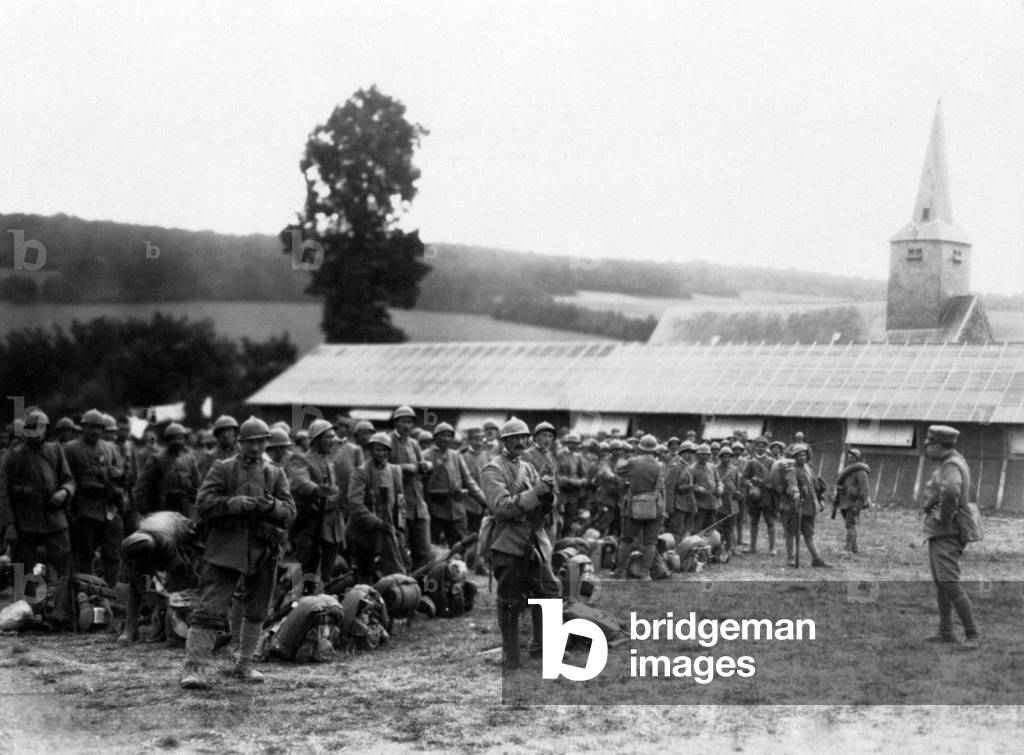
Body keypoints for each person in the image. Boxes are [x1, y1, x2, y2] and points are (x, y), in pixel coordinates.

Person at [180, 416, 295, 689]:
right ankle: (195, 669)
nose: (256, 448)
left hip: (262, 549)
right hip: (225, 548)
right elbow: (203, 503)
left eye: (261, 442)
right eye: (250, 443)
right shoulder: (223, 468)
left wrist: (271, 507)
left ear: (267, 442)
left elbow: (290, 512)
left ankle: (245, 664)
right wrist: (232, 504)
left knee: (257, 609)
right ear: (240, 443)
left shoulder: (275, 473)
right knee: (210, 607)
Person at [481, 417, 559, 670]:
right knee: (510, 601)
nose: (520, 442)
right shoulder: (493, 469)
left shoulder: (529, 467)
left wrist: (548, 498)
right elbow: (501, 508)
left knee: (549, 595)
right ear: (504, 441)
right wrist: (535, 493)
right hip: (509, 544)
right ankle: (511, 656)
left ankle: (543, 649)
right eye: (514, 438)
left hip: (534, 543)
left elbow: (542, 505)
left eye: (524, 438)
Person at [0, 410, 75, 612]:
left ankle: (64, 609)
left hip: (54, 519)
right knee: (24, 569)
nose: (36, 433)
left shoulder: (55, 451)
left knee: (63, 565)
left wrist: (64, 492)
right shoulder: (13, 456)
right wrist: (9, 525)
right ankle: (27, 610)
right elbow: (3, 494)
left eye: (40, 428)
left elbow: (69, 479)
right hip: (26, 521)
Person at [921, 425, 979, 649]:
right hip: (944, 531)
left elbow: (952, 491)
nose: (926, 447)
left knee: (950, 583)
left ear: (939, 445)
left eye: (929, 443)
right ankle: (946, 631)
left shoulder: (951, 465)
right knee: (942, 582)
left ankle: (973, 635)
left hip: (948, 531)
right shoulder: (952, 461)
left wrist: (943, 519)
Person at [63, 408, 126, 587]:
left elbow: (121, 476)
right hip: (83, 507)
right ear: (83, 427)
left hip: (108, 507)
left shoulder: (110, 448)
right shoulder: (71, 448)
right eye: (90, 427)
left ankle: (111, 589)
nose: (94, 431)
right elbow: (66, 478)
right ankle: (86, 589)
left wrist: (115, 484)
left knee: (112, 552)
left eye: (98, 428)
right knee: (85, 552)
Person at [346, 432, 407, 583]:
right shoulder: (361, 472)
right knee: (364, 573)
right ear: (370, 451)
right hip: (362, 533)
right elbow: (355, 505)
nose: (380, 453)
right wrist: (377, 523)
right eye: (376, 449)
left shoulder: (395, 471)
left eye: (384, 449)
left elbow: (400, 502)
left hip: (387, 531)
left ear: (389, 451)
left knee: (396, 569)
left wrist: (400, 528)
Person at [287, 419, 343, 579]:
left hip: (332, 526)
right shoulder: (300, 459)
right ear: (316, 439)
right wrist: (316, 489)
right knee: (308, 572)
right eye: (329, 437)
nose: (334, 440)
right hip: (311, 525)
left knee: (328, 572)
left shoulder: (328, 462)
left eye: (334, 437)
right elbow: (298, 481)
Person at [423, 423, 486, 547]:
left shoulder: (455, 455)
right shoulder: (426, 455)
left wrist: (485, 501)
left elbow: (468, 481)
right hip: (435, 510)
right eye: (442, 435)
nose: (446, 439)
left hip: (456, 510)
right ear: (435, 437)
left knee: (461, 546)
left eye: (449, 436)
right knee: (433, 547)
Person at [613, 434, 665, 580]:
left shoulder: (633, 462)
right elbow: (662, 489)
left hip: (634, 506)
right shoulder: (660, 466)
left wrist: (622, 456)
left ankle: (621, 571)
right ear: (655, 450)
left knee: (626, 540)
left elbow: (618, 470)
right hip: (655, 507)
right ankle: (645, 574)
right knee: (650, 542)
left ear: (640, 448)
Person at [389, 405, 432, 571]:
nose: (407, 426)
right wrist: (403, 468)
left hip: (418, 503)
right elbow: (381, 467)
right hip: (399, 503)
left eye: (410, 422)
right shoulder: (388, 441)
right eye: (403, 422)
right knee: (400, 547)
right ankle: (403, 585)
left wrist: (426, 465)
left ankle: (420, 584)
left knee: (423, 549)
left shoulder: (414, 443)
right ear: (396, 423)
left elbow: (422, 467)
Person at [132, 423, 201, 520]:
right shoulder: (156, 460)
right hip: (162, 508)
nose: (177, 441)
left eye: (180, 438)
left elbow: (197, 485)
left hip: (185, 509)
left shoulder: (190, 460)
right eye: (173, 439)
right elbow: (142, 487)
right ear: (167, 441)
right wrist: (147, 512)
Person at [780, 444, 831, 568]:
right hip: (794, 507)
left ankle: (816, 559)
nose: (802, 457)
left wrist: (821, 500)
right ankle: (791, 558)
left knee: (809, 534)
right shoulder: (791, 470)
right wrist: (795, 492)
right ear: (794, 457)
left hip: (809, 507)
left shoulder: (808, 468)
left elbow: (816, 485)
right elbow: (791, 483)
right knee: (791, 533)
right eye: (799, 455)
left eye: (804, 454)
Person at [742, 437, 777, 555]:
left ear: (766, 447)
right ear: (755, 447)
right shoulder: (750, 462)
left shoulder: (771, 462)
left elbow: (775, 479)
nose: (760, 448)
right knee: (754, 521)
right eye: (758, 446)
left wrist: (765, 482)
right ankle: (752, 546)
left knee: (770, 521)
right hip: (754, 494)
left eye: (763, 446)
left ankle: (772, 548)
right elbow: (744, 478)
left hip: (766, 494)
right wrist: (750, 483)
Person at [834, 448, 871, 556]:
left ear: (857, 458)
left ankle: (848, 549)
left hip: (853, 502)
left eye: (853, 457)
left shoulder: (861, 471)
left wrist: (859, 504)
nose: (850, 459)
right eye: (849, 457)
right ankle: (855, 549)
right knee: (850, 524)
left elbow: (864, 489)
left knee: (850, 524)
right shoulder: (847, 470)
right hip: (844, 500)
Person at [555, 433, 588, 538]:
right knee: (558, 520)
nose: (573, 445)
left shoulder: (578, 457)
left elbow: (583, 475)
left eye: (576, 443)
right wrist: (566, 481)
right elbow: (555, 473)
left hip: (573, 494)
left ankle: (565, 541)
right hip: (561, 493)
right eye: (571, 443)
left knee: (569, 520)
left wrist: (581, 482)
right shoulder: (559, 455)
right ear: (567, 443)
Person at [690, 444, 723, 534]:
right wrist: (697, 488)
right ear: (697, 455)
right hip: (700, 504)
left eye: (707, 454)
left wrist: (720, 487)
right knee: (697, 527)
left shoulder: (712, 466)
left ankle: (710, 546)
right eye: (702, 454)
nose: (705, 457)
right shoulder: (692, 468)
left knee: (712, 527)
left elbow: (718, 480)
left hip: (713, 502)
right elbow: (689, 485)